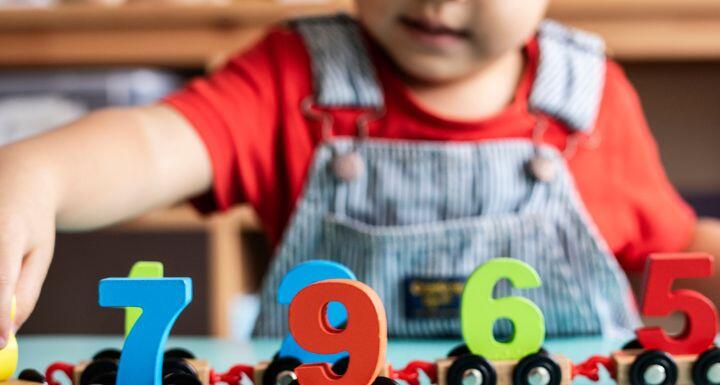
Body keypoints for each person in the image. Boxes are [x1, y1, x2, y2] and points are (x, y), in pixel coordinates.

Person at [1, 0, 719, 344]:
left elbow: (677, 247)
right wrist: (36, 174)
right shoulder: (292, 78)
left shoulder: (592, 102)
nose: (436, 2)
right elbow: (153, 143)